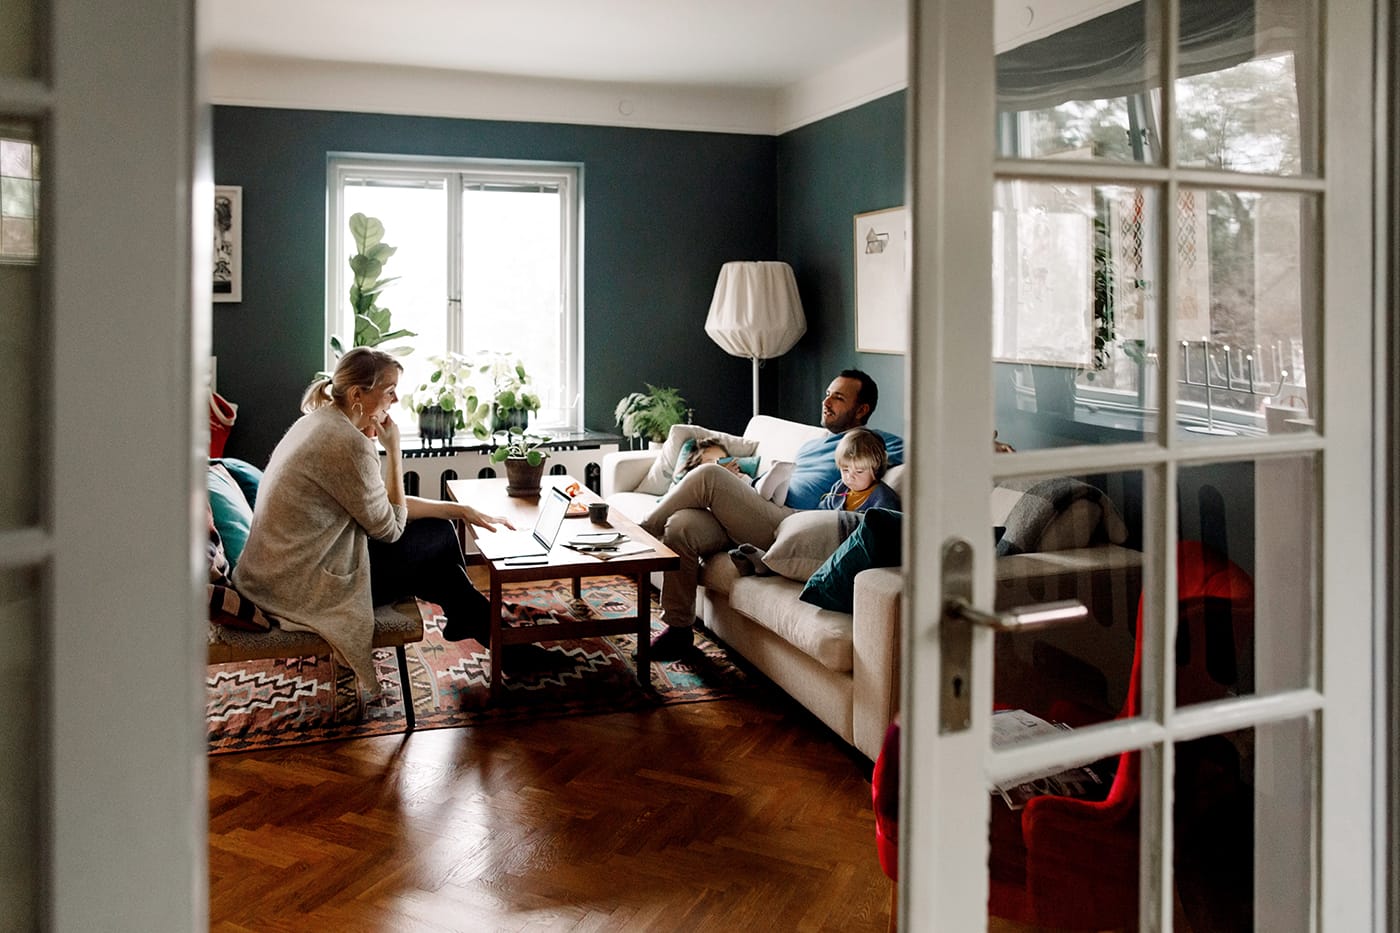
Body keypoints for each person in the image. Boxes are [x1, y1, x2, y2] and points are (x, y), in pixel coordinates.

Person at [232, 347, 517, 705]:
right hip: (302, 586)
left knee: (439, 536)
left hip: (280, 575)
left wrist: (458, 509)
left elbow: (382, 507)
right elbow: (391, 529)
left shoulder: (321, 422)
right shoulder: (346, 442)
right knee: (436, 544)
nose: (396, 398)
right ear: (357, 394)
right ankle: (489, 629)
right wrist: (394, 450)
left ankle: (479, 622)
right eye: (389, 389)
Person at [639, 369, 904, 659]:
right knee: (681, 526)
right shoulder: (813, 444)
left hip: (789, 523)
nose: (826, 402)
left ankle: (642, 530)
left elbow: (922, 451)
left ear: (861, 410)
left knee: (709, 476)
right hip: (761, 507)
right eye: (827, 394)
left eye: (838, 398)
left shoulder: (870, 440)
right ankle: (678, 631)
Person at [817, 427, 901, 512]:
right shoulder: (839, 487)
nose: (850, 477)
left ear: (876, 470)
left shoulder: (883, 498)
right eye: (845, 470)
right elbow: (820, 512)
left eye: (859, 471)